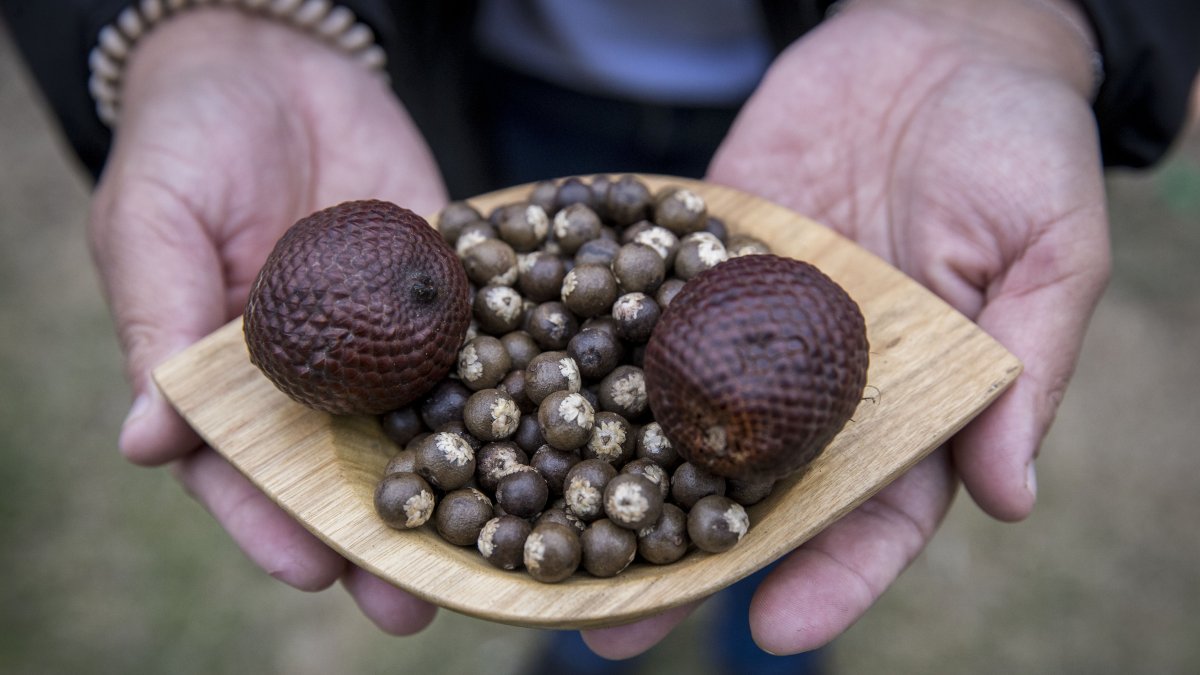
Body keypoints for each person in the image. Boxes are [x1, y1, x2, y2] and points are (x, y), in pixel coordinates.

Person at [2, 0, 1197, 667]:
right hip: (489, 77)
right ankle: (578, 648)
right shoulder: (514, 321)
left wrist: (1021, 19)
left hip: (842, 68)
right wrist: (208, 26)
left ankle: (751, 635)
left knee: (783, 535)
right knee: (608, 612)